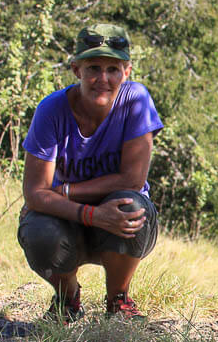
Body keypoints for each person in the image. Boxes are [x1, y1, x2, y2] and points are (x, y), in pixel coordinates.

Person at [18, 23, 163, 322]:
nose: (103, 78)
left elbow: (132, 180)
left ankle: (118, 301)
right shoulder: (51, 110)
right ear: (76, 70)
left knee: (132, 206)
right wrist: (90, 214)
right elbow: (34, 193)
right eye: (94, 67)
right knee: (38, 231)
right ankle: (68, 299)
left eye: (113, 69)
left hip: (115, 218)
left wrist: (66, 191)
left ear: (127, 71)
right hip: (66, 219)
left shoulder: (135, 100)